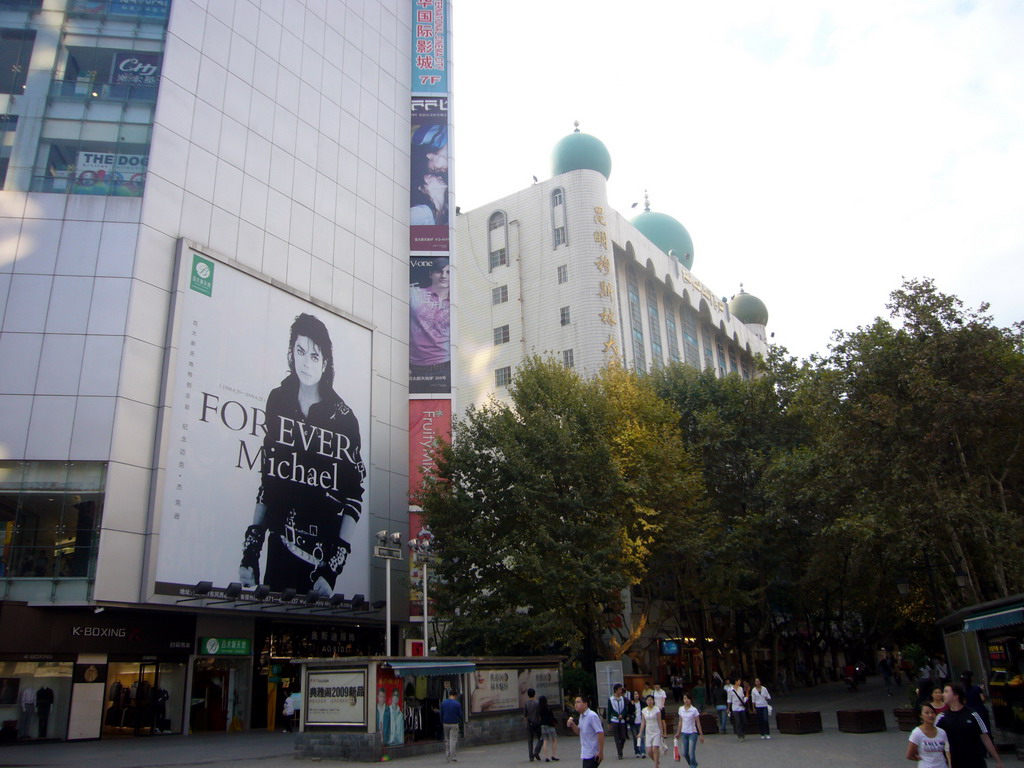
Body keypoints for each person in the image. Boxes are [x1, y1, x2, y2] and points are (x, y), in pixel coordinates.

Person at [239, 313, 365, 595]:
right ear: (290, 353)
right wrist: (251, 552)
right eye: (300, 351)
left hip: (319, 566)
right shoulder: (278, 400)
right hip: (279, 547)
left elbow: (354, 497)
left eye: (314, 355)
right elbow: (269, 481)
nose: (306, 362)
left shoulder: (344, 419)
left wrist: (332, 569)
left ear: (326, 361)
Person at [935, 684, 1004, 768]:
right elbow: (934, 738)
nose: (943, 695)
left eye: (946, 691)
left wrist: (997, 760)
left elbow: (985, 737)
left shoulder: (973, 714)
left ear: (956, 696)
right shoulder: (942, 717)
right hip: (956, 762)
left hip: (976, 762)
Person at [409, 260, 451, 391]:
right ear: (431, 274)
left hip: (444, 367)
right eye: (439, 271)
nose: (444, 276)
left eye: (448, 272)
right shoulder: (414, 294)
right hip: (413, 368)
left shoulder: (457, 301)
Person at [906, 702, 950, 767]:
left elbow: (947, 750)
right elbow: (909, 755)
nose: (930, 715)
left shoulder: (942, 732)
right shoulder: (917, 733)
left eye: (932, 713)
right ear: (921, 715)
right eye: (927, 713)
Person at [566, 695, 604, 768]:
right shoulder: (582, 716)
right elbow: (579, 732)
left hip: (593, 753)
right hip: (585, 752)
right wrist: (572, 724)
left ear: (585, 704)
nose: (576, 705)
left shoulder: (592, 715)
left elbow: (600, 733)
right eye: (575, 703)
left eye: (578, 702)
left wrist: (600, 751)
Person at [673, 692, 704, 768]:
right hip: (684, 732)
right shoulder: (681, 709)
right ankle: (693, 764)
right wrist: (678, 732)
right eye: (684, 698)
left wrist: (701, 734)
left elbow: (698, 722)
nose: (686, 700)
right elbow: (680, 721)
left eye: (687, 698)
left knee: (691, 752)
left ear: (690, 700)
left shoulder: (694, 710)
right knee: (684, 753)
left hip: (692, 732)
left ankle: (692, 766)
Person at [637, 694, 664, 768]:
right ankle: (656, 761)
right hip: (648, 731)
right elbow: (643, 722)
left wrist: (661, 732)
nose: (649, 701)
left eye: (651, 700)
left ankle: (655, 766)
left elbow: (659, 721)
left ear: (653, 701)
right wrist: (640, 732)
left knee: (655, 748)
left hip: (656, 731)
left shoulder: (657, 709)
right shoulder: (644, 710)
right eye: (648, 700)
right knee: (649, 751)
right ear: (646, 701)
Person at [608, 683, 631, 759]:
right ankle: (619, 753)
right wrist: (609, 722)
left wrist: (622, 715)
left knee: (623, 737)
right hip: (614, 720)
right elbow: (610, 710)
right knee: (617, 737)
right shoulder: (611, 699)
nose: (621, 691)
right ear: (616, 690)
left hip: (622, 720)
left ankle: (620, 748)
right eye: (620, 689)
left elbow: (625, 709)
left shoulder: (623, 699)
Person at [440, 690, 462, 762]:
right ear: (455, 695)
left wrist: (442, 721)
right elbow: (460, 714)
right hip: (454, 723)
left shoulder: (443, 703)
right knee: (453, 740)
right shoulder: (457, 704)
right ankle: (452, 756)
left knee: (447, 739)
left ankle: (447, 754)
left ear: (449, 695)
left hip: (445, 723)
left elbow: (441, 713)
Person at [539, 695, 560, 762]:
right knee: (554, 740)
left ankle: (546, 757)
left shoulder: (539, 708)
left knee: (545, 741)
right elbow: (551, 716)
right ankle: (553, 755)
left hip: (542, 725)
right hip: (549, 725)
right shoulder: (548, 708)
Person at [525, 687, 543, 762]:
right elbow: (540, 714)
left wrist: (526, 724)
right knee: (541, 738)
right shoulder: (537, 703)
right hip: (537, 723)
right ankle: (536, 751)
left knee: (530, 741)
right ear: (534, 694)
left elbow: (525, 715)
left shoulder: (526, 703)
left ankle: (530, 757)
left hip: (529, 723)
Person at [630, 691, 645, 758]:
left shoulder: (642, 703)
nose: (637, 695)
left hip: (641, 722)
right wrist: (632, 705)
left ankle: (643, 752)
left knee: (641, 737)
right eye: (635, 694)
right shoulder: (630, 704)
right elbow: (629, 712)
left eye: (637, 694)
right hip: (633, 722)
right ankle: (637, 751)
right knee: (635, 738)